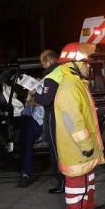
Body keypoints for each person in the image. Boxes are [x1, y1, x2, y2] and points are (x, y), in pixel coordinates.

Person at [55, 42, 105, 209]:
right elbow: (72, 123)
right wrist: (86, 145)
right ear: (75, 63)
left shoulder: (77, 83)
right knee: (77, 186)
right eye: (86, 63)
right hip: (77, 148)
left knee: (88, 180)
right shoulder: (70, 87)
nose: (89, 66)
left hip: (85, 147)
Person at [34, 50, 65, 194]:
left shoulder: (51, 77)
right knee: (63, 149)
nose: (42, 67)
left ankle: (62, 183)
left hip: (53, 115)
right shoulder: (64, 70)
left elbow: (46, 100)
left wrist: (36, 96)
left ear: (49, 61)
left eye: (43, 63)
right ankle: (68, 181)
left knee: (54, 150)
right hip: (64, 114)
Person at [17, 93, 44, 188]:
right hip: (28, 121)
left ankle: (25, 174)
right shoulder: (31, 101)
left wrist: (32, 101)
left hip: (37, 123)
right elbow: (26, 112)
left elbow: (43, 111)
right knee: (23, 121)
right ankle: (25, 173)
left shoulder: (45, 97)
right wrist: (29, 96)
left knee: (26, 139)